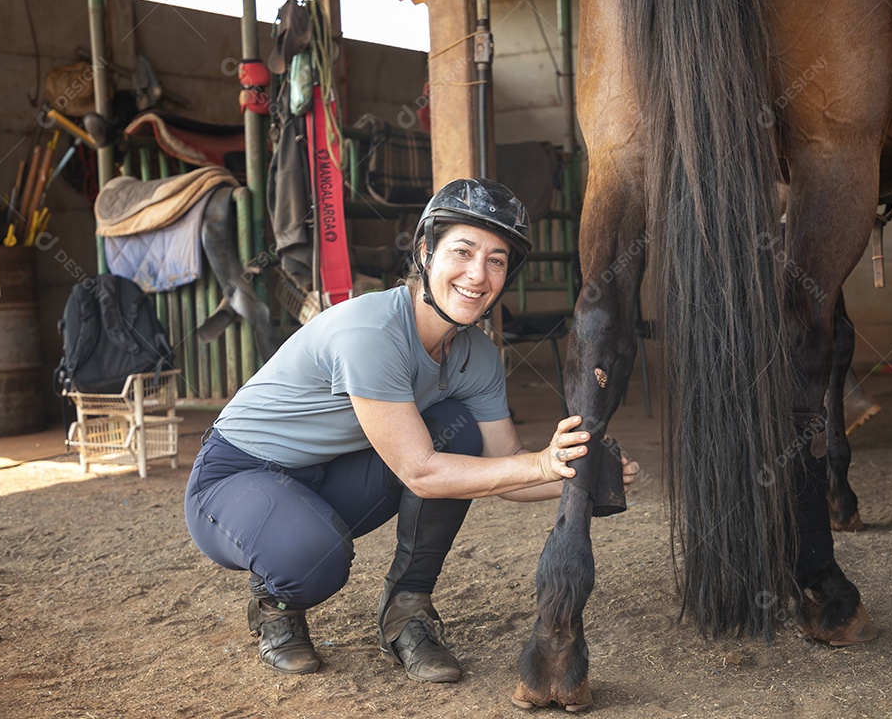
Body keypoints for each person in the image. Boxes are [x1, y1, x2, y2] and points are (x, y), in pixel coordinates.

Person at [184, 178, 639, 683]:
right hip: (235, 476)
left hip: (329, 473)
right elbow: (421, 473)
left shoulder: (479, 355)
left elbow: (505, 462)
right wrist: (538, 462)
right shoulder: (371, 331)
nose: (478, 274)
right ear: (425, 252)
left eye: (496, 260)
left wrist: (583, 475)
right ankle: (276, 603)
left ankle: (407, 611)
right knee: (314, 558)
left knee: (459, 435)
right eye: (462, 251)